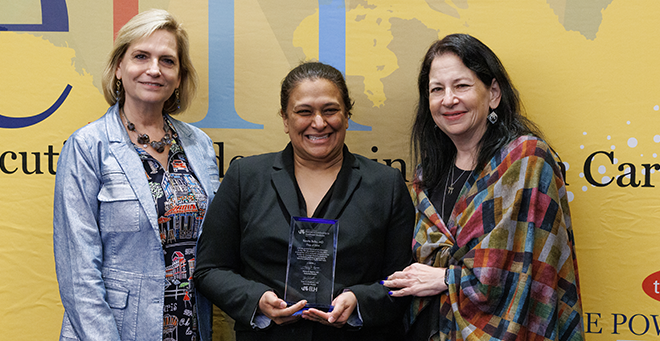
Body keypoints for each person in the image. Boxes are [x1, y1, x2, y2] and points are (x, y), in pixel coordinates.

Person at [382, 34, 584, 341]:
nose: (448, 99)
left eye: (461, 86)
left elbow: (527, 277)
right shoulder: (429, 173)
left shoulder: (526, 159)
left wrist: (445, 278)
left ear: (493, 93)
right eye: (437, 89)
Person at [194, 61, 415, 341]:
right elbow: (209, 269)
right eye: (304, 112)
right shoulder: (245, 178)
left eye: (330, 110)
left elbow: (403, 280)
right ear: (286, 120)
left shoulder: (386, 185)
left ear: (347, 115)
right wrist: (257, 300)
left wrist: (359, 301)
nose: (319, 122)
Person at [53, 9, 219, 341]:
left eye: (167, 61)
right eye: (141, 56)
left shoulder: (198, 144)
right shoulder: (87, 146)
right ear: (118, 67)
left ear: (179, 76)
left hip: (190, 324)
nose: (154, 69)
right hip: (113, 331)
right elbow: (78, 274)